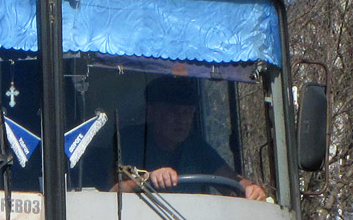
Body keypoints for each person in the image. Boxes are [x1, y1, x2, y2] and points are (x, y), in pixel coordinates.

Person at [110, 76, 268, 200]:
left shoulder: (196, 147)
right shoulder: (128, 141)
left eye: (187, 113)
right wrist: (147, 178)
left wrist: (250, 188)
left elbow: (230, 180)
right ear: (152, 113)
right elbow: (112, 192)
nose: (181, 120)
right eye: (173, 112)